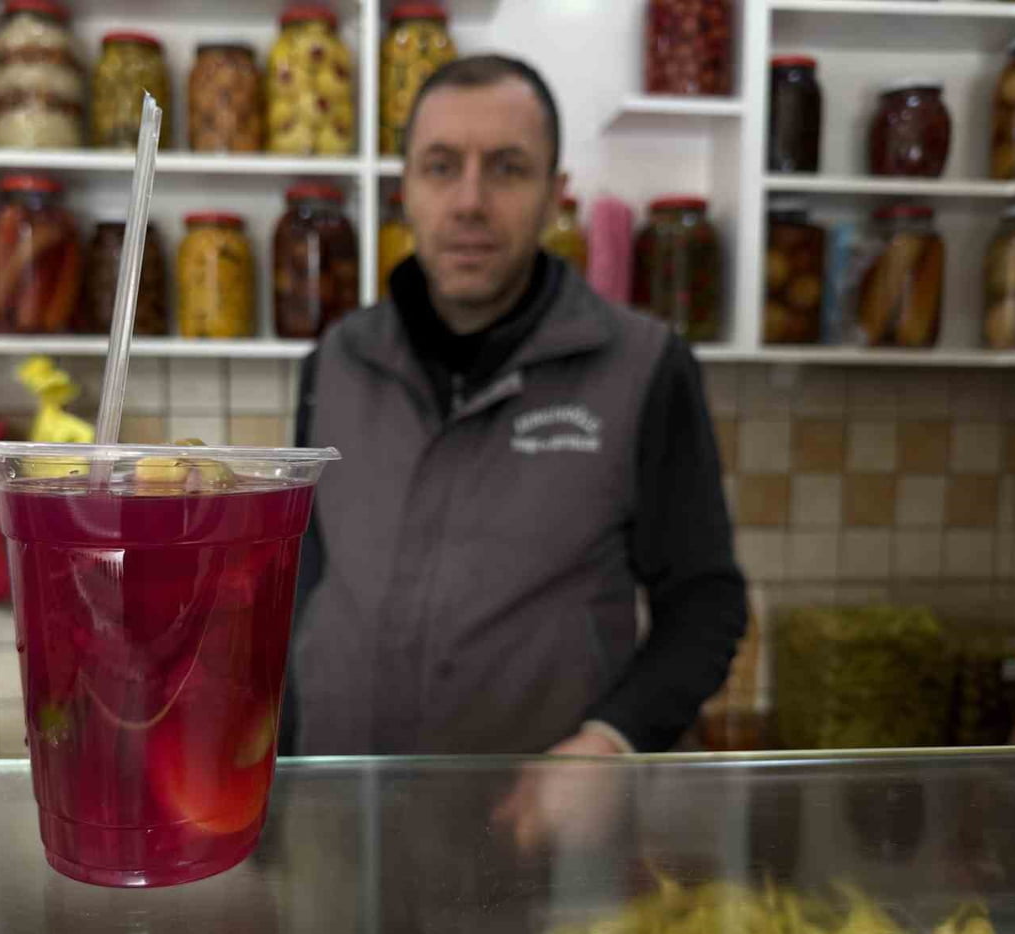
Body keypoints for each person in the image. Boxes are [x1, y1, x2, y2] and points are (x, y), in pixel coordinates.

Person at [282, 54, 746, 760]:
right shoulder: (335, 363)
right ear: (404, 185)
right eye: (440, 166)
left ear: (554, 193)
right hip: (339, 817)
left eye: (506, 168)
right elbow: (302, 589)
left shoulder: (643, 367)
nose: (470, 201)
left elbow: (706, 602)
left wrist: (612, 740)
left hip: (538, 838)